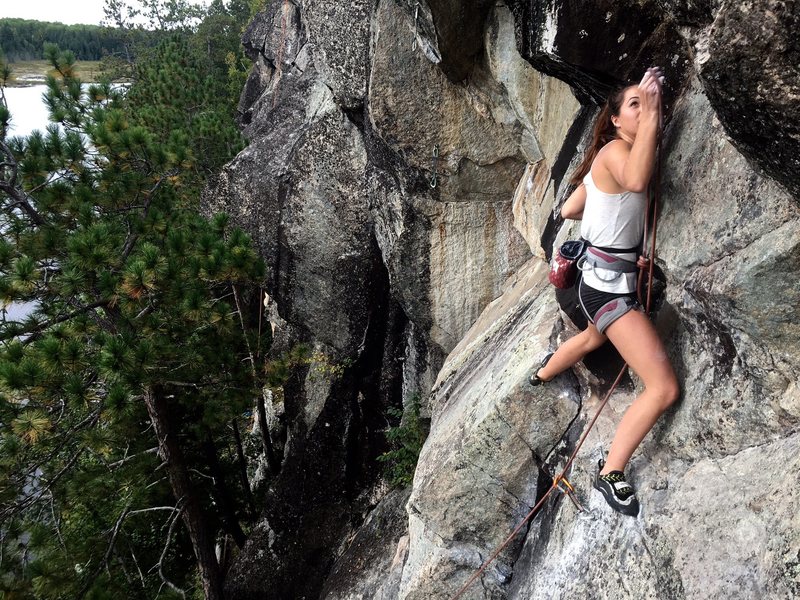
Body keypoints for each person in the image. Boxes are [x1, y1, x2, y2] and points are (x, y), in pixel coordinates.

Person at [530, 67, 679, 517]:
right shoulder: (617, 151)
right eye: (632, 104)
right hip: (609, 290)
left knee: (596, 337)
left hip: (596, 282)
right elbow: (635, 182)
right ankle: (610, 472)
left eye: (644, 102)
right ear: (615, 120)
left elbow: (573, 205)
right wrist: (653, 113)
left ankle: (541, 373)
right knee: (663, 387)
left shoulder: (609, 158)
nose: (642, 108)